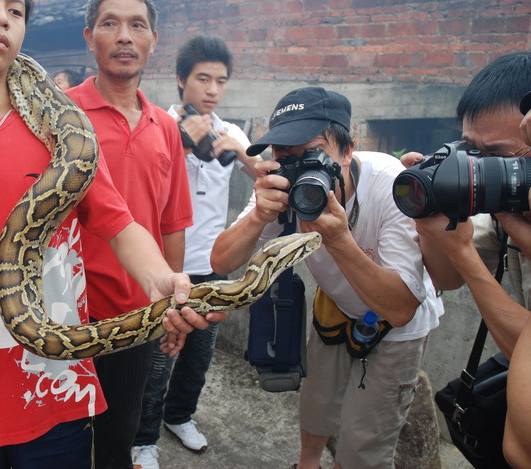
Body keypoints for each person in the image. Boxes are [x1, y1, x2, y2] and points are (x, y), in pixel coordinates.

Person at [0, 0, 212, 466]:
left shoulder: (66, 141)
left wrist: (159, 276)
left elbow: (119, 223)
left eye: (15, 10)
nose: (1, 18)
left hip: (58, 392)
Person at [210, 87, 443, 469]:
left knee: (364, 439)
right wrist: (257, 217)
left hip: (397, 325)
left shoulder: (391, 184)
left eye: (312, 155)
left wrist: (338, 240)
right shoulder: (282, 185)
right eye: (285, 157)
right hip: (336, 306)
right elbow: (220, 262)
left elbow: (401, 308)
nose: (300, 169)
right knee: (316, 401)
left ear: (348, 150)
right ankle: (308, 463)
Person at [65, 1, 226, 468]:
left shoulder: (165, 129)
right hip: (65, 311)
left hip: (135, 316)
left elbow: (171, 225)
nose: (124, 37)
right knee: (61, 436)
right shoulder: (62, 113)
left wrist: (174, 305)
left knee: (120, 433)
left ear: (154, 41)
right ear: (88, 36)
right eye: (109, 24)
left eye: (138, 26)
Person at [131, 34, 259, 468]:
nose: (212, 90)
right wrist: (182, 141)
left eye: (220, 81)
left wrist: (242, 153)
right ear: (181, 80)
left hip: (213, 264)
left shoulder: (232, 130)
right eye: (203, 79)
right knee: (159, 358)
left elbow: (266, 180)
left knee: (199, 352)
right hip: (167, 266)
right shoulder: (159, 127)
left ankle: (179, 416)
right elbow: (142, 184)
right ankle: (142, 438)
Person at [407, 52, 531, 359]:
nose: (479, 168)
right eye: (472, 150)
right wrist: (431, 210)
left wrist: (463, 253)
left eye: (497, 156)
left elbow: (523, 356)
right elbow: (447, 279)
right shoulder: (506, 212)